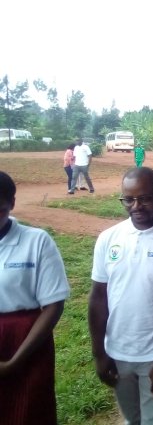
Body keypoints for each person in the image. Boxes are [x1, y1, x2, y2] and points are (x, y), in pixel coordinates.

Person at [88, 168, 153, 425]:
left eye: (144, 199)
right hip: (118, 352)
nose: (136, 206)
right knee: (133, 420)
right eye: (128, 199)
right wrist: (99, 353)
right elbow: (98, 298)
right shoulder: (109, 238)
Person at [0, 171, 70, 425]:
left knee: (28, 411)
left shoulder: (36, 242)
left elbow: (53, 306)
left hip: (26, 342)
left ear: (12, 203)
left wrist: (15, 361)